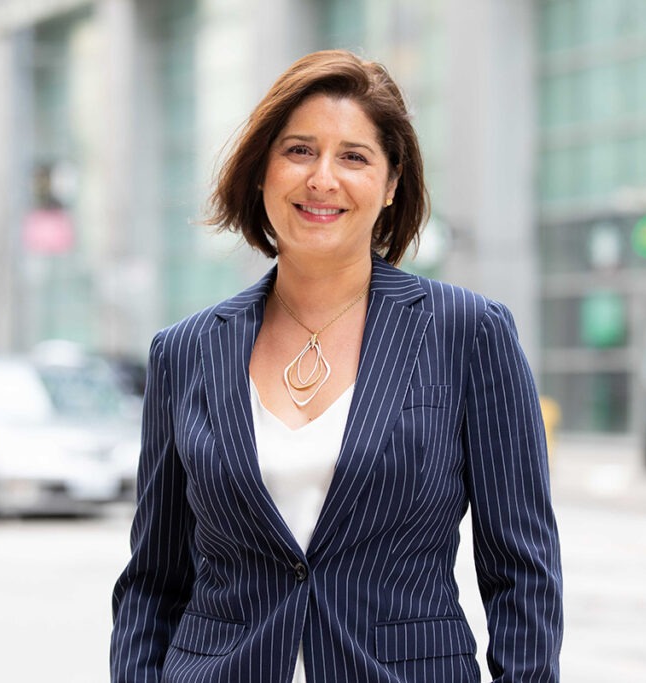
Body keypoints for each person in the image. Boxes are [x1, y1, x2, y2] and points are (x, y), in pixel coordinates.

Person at [110, 49, 563, 682]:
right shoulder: (185, 352)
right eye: (299, 151)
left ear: (391, 183)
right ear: (262, 171)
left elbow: (523, 573)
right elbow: (153, 581)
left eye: (353, 156)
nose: (322, 179)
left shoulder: (468, 332)